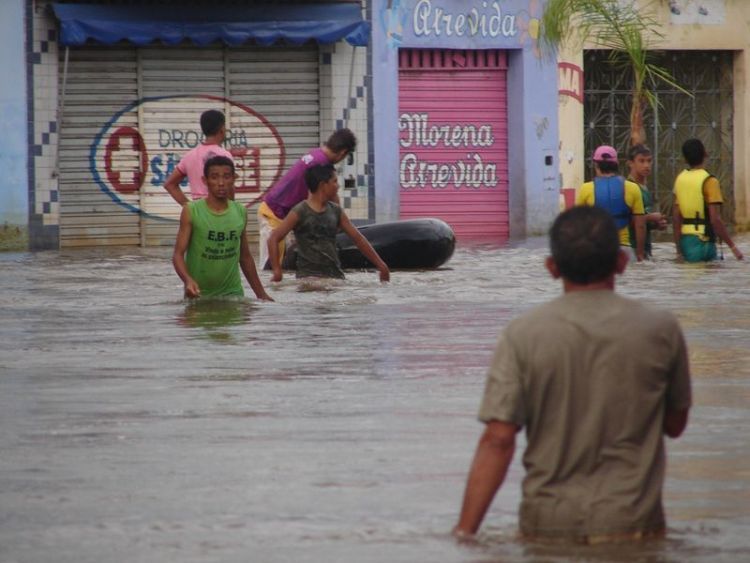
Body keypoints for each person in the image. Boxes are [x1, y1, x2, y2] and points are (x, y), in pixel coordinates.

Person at [453, 206, 691, 544]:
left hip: (547, 523)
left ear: (552, 268)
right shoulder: (661, 329)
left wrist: (464, 534)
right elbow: (675, 425)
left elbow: (498, 439)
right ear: (621, 263)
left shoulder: (522, 334)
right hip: (633, 522)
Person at [267, 164, 390, 283]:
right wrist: (277, 271)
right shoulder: (299, 211)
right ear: (323, 185)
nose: (338, 186)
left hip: (335, 277)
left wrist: (381, 265)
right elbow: (273, 238)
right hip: (308, 279)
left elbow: (358, 239)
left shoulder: (336, 211)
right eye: (335, 181)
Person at [173, 156, 273, 301]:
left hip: (233, 295)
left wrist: (261, 294)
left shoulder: (240, 212)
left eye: (226, 177)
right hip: (198, 295)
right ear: (205, 181)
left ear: (233, 179)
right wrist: (187, 280)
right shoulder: (191, 211)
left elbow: (245, 257)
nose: (221, 183)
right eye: (214, 177)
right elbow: (177, 255)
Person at [258, 128, 357, 269]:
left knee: (287, 266)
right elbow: (331, 197)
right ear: (343, 153)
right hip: (275, 213)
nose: (337, 185)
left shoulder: (317, 153)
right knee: (273, 267)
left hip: (279, 211)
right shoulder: (322, 164)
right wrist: (341, 222)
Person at [672, 138, 743, 262]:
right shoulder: (710, 181)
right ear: (705, 154)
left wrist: (679, 251)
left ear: (685, 159)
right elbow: (715, 220)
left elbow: (676, 219)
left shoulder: (680, 179)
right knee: (710, 276)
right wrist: (733, 247)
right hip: (703, 242)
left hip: (686, 241)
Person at [576, 145, 646, 261]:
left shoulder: (586, 189)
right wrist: (640, 254)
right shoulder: (632, 188)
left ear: (596, 165)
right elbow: (640, 225)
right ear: (617, 164)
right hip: (624, 251)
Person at [163, 110, 234, 206]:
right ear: (222, 129)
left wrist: (188, 207)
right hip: (219, 210)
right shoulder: (225, 155)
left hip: (198, 212)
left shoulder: (190, 156)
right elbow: (229, 190)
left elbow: (169, 184)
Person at [626, 144, 668, 259]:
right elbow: (625, 220)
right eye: (641, 161)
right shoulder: (629, 187)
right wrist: (650, 217)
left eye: (649, 161)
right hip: (632, 248)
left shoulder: (644, 187)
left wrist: (656, 225)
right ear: (630, 163)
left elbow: (642, 220)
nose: (646, 165)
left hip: (645, 249)